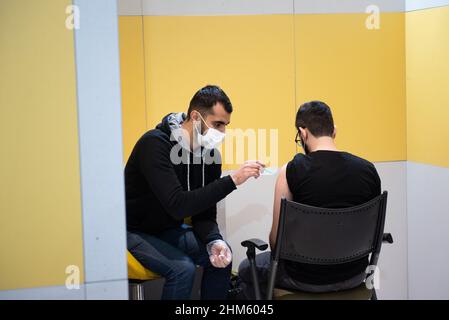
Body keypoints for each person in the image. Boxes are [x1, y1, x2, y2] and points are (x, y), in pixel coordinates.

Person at [125, 85, 265, 299]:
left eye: (226, 125)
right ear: (195, 117)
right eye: (217, 124)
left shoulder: (210, 157)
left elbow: (204, 213)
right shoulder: (154, 144)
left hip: (165, 230)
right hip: (131, 231)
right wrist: (234, 180)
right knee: (183, 270)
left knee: (222, 257)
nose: (222, 133)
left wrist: (214, 241)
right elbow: (177, 204)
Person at [238, 100, 381, 299]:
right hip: (356, 275)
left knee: (246, 268)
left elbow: (276, 241)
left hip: (303, 279)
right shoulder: (368, 170)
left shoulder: (291, 170)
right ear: (334, 131)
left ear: (303, 133)